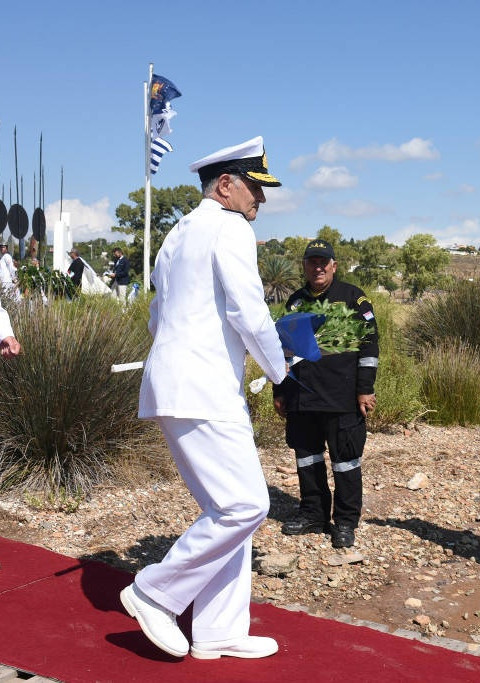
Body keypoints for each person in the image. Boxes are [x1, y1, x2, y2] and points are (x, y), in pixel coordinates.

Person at [121, 136, 288, 660]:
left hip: (175, 383)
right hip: (205, 388)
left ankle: (218, 631)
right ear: (226, 185)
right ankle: (154, 591)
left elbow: (156, 316)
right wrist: (283, 374)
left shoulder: (178, 233)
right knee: (246, 505)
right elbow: (249, 311)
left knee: (228, 509)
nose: (260, 201)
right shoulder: (229, 227)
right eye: (255, 189)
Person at [273, 239, 379, 549]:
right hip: (302, 397)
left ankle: (345, 521)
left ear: (334, 265)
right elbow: (281, 350)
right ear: (305, 266)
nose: (318, 267)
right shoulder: (294, 302)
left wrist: (365, 389)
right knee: (307, 458)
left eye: (324, 262)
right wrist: (280, 390)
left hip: (341, 397)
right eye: (312, 262)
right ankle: (313, 514)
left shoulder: (353, 298)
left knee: (345, 461)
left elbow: (370, 346)